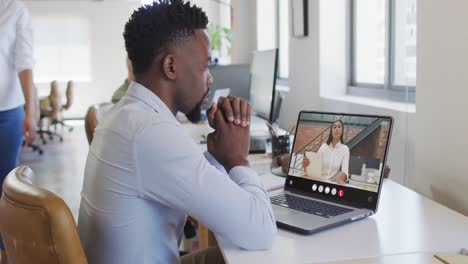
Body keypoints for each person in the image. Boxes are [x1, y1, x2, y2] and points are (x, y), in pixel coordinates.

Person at [77, 1, 276, 263]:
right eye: (205, 66)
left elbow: (188, 181)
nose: (210, 79)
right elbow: (261, 232)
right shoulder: (150, 132)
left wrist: (217, 156)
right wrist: (238, 159)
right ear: (171, 66)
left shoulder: (127, 115)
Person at [0, 0, 37, 262]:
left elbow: (24, 64)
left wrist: (31, 112)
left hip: (7, 112)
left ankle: (5, 253)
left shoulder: (15, 10)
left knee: (4, 188)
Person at [303, 120, 349, 184]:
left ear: (342, 131)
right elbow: (315, 166)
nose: (337, 129)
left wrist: (341, 176)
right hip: (319, 181)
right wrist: (307, 166)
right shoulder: (323, 147)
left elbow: (345, 171)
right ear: (331, 131)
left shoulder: (345, 149)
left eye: (339, 127)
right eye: (334, 127)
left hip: (332, 183)